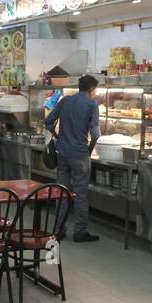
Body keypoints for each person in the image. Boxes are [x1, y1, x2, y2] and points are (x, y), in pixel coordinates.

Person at [45, 74, 102, 243]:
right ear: (91, 89)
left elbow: (48, 122)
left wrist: (58, 136)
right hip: (79, 154)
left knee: (62, 192)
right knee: (80, 194)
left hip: (62, 152)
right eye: (95, 89)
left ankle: (59, 229)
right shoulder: (92, 104)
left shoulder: (65, 101)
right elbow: (95, 134)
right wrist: (88, 151)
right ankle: (80, 232)